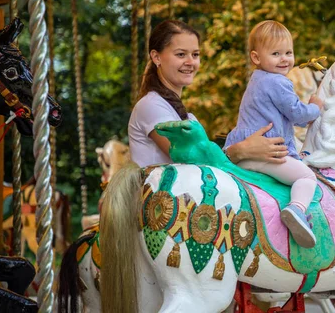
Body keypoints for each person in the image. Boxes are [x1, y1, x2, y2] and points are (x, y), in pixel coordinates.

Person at [128, 19, 289, 169]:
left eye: (195, 54)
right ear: (157, 57)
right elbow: (196, 161)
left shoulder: (185, 116)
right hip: (163, 197)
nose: (190, 62)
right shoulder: (151, 106)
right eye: (181, 54)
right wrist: (242, 150)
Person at [224, 20, 323, 248]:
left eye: (288, 52)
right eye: (276, 53)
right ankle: (296, 210)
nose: (285, 59)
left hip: (246, 151)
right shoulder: (278, 82)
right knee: (307, 177)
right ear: (256, 58)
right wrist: (315, 107)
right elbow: (297, 114)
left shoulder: (257, 80)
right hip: (267, 151)